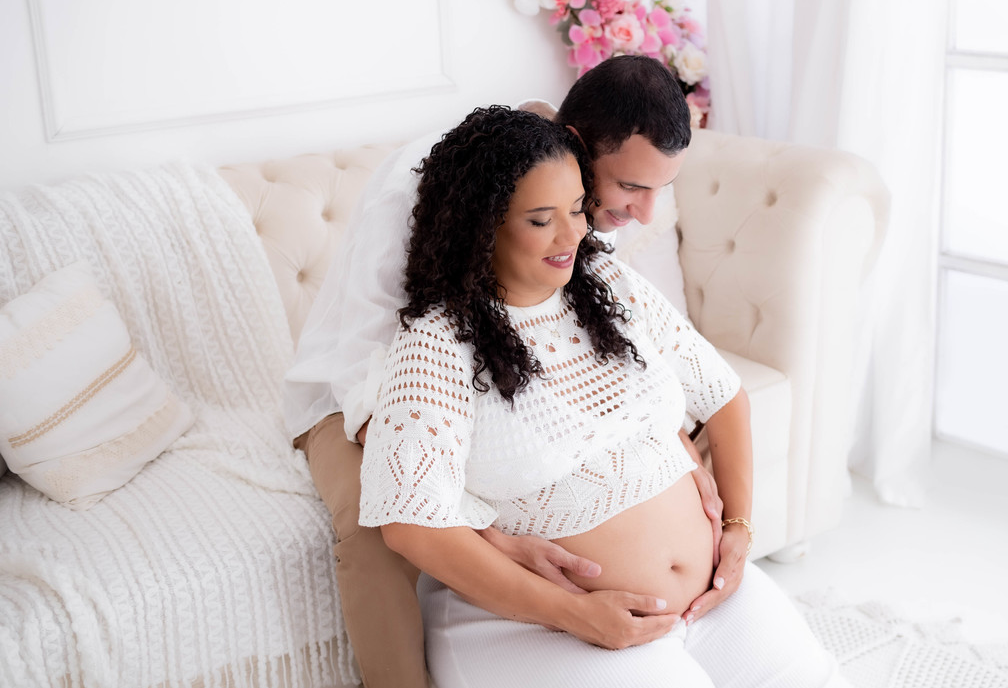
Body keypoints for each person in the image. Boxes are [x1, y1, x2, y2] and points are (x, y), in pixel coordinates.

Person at [359, 106, 846, 687]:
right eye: (541, 221)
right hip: (539, 623)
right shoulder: (436, 344)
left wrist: (740, 526)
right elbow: (412, 526)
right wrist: (577, 613)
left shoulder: (604, 284)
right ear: (480, 225)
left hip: (707, 599)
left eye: (575, 209)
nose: (573, 236)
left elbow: (722, 392)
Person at [285, 57, 714, 687]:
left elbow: (592, 330)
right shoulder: (423, 189)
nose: (641, 212)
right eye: (628, 188)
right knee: (374, 529)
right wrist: (475, 519)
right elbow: (369, 363)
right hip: (356, 390)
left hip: (467, 370)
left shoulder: (574, 197)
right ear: (576, 146)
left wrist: (662, 438)